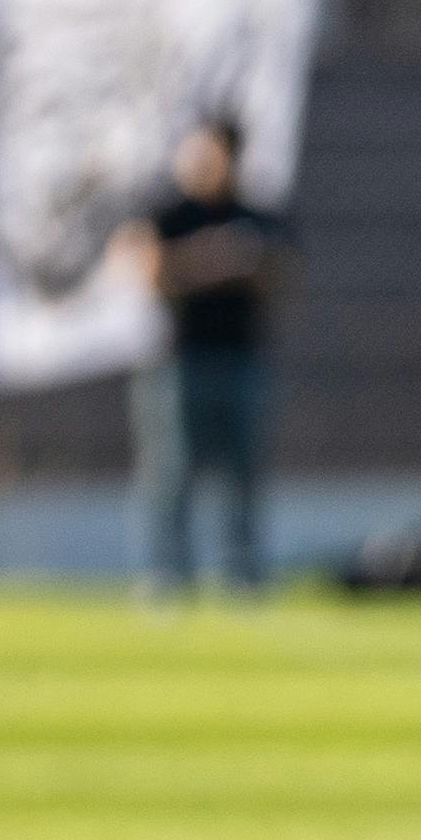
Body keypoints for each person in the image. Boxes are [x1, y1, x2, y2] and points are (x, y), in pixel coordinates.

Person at [115, 113, 290, 604]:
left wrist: (231, 263)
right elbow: (150, 274)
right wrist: (215, 260)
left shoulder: (256, 216)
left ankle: (243, 573)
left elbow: (279, 276)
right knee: (169, 472)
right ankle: (169, 574)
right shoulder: (169, 215)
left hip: (240, 357)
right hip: (177, 361)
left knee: (244, 472)